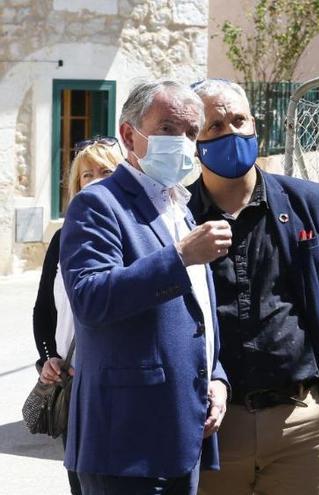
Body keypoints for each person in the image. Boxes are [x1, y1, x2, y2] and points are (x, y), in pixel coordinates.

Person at [59, 80, 232, 495]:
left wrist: (218, 377)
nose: (184, 143)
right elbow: (90, 297)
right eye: (169, 129)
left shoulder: (180, 207)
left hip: (181, 432)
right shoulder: (98, 204)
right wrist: (179, 257)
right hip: (125, 443)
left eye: (192, 133)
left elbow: (198, 312)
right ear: (128, 135)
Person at [187, 79, 319, 495]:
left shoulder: (307, 202)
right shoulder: (179, 216)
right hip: (211, 428)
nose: (230, 133)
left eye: (239, 120)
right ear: (195, 139)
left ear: (255, 125)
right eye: (214, 126)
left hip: (302, 422)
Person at [32, 137, 122, 495]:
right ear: (77, 185)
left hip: (120, 381)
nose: (96, 180)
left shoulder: (135, 233)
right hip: (75, 383)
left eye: (106, 172)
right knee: (82, 482)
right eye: (87, 175)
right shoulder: (62, 237)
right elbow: (44, 308)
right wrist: (47, 356)